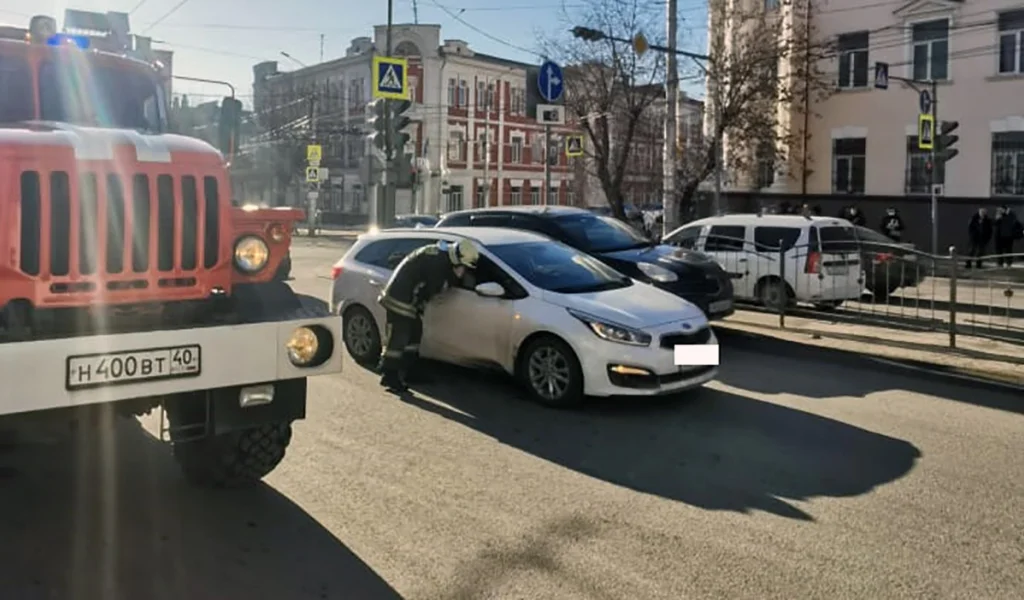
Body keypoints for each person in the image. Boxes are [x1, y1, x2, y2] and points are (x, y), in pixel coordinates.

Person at [376, 238, 480, 392]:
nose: (464, 270)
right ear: (458, 260)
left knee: (415, 333)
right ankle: (389, 375)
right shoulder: (438, 262)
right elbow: (434, 288)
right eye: (463, 266)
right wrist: (454, 277)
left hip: (408, 296)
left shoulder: (441, 255)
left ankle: (410, 371)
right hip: (400, 298)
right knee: (399, 336)